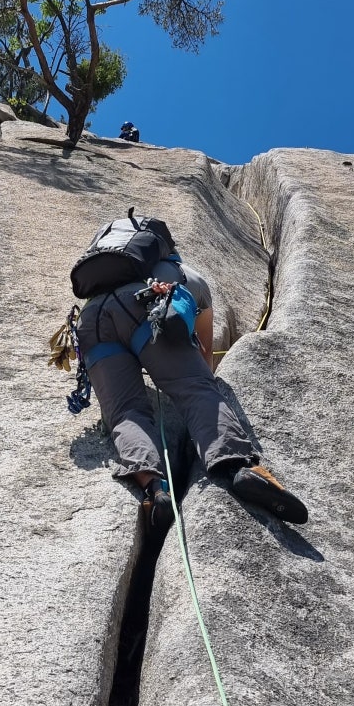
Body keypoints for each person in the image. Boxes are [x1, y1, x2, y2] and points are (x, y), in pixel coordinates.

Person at [74, 215, 308, 534]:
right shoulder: (184, 275)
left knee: (124, 413)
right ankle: (236, 466)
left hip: (92, 322)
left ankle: (155, 488)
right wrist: (173, 367)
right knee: (196, 390)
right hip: (148, 306)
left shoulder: (100, 286)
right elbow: (204, 356)